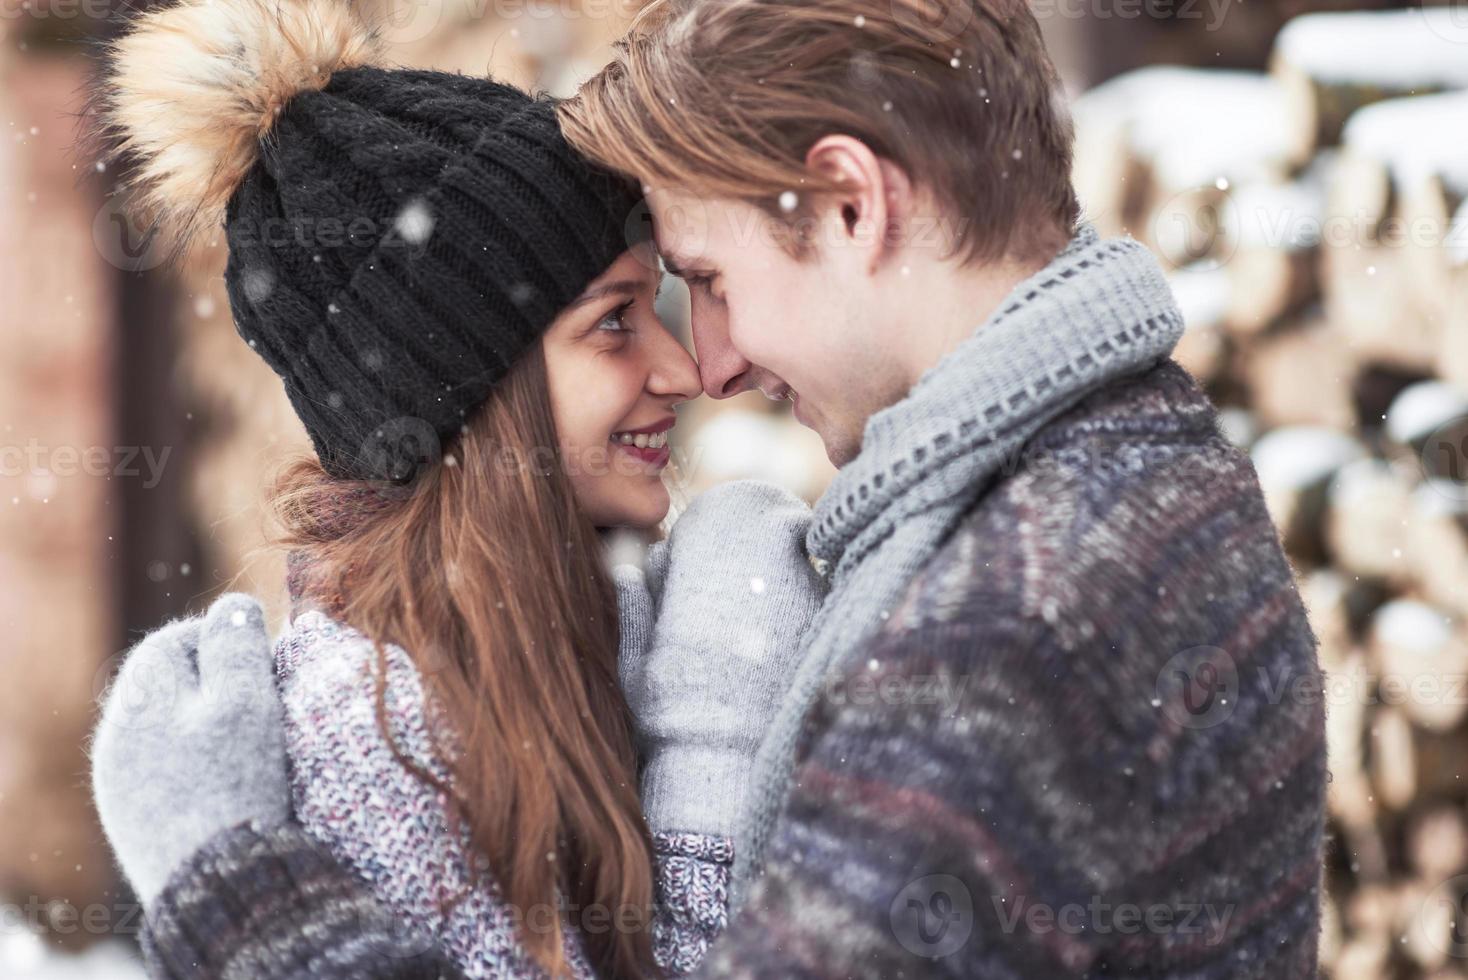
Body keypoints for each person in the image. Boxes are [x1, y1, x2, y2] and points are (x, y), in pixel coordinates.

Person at [96, 0, 1329, 976]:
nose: (710, 364)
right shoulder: (1131, 472)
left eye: (706, 280)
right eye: (629, 313)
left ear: (854, 204)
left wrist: (236, 891)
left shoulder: (1010, 615)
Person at [85, 0, 824, 977]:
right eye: (614, 322)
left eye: (661, 305)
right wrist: (715, 752)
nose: (682, 369)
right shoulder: (382, 727)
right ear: (462, 387)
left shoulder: (576, 636)